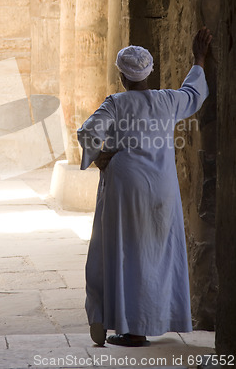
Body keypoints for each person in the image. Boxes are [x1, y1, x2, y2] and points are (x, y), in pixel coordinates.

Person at [77, 28, 212, 347]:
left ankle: (131, 328)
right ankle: (157, 319)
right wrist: (200, 58)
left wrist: (100, 156)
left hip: (125, 190)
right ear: (149, 72)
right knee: (157, 254)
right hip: (161, 189)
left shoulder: (116, 103)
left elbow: (87, 133)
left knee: (127, 254)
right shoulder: (167, 100)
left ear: (122, 76)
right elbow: (194, 94)